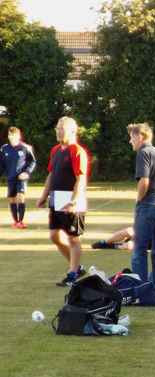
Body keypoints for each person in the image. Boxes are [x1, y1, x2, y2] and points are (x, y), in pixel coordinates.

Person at [37, 117, 89, 287]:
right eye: (57, 128)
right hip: (56, 198)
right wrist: (44, 195)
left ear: (73, 131)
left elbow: (80, 178)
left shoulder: (77, 151)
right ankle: (77, 267)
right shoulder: (55, 150)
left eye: (62, 128)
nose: (58, 131)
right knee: (55, 236)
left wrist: (74, 201)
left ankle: (72, 273)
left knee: (73, 239)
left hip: (72, 200)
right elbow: (51, 174)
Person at [127, 122, 155, 295]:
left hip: (149, 204)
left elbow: (144, 181)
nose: (130, 141)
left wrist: (139, 201)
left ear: (140, 136)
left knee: (139, 249)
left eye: (132, 137)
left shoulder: (143, 153)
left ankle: (142, 291)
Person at [1, 126, 36, 228]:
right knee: (12, 199)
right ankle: (15, 221)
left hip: (21, 178)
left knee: (20, 198)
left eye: (14, 135)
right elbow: (1, 164)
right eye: (10, 135)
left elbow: (32, 161)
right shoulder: (4, 148)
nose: (11, 137)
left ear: (18, 136)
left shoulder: (25, 147)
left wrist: (27, 172)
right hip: (10, 178)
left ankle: (21, 221)